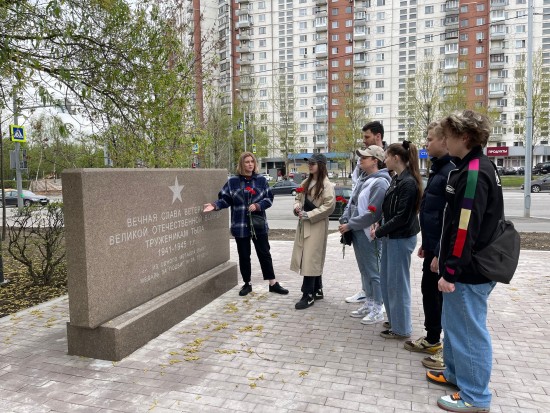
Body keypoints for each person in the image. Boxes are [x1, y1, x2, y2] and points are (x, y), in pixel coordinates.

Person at [426, 110, 500, 413]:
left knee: (469, 331)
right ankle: (456, 375)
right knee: (454, 325)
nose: (444, 140)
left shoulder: (473, 171)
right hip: (462, 265)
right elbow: (454, 220)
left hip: (469, 271)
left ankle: (475, 397)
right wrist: (441, 258)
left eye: (449, 136)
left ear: (465, 138)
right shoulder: (471, 166)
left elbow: (465, 226)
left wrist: (451, 269)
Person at [404, 122, 454, 369]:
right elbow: (433, 212)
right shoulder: (439, 169)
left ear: (445, 141)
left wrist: (440, 251)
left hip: (444, 250)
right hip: (434, 246)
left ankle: (447, 349)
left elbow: (451, 217)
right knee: (428, 291)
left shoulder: (451, 171)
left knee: (443, 299)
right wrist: (428, 243)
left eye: (431, 138)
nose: (426, 143)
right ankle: (433, 338)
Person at [203, 152, 288, 297]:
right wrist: (215, 205)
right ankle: (247, 283)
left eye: (252, 162)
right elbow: (225, 199)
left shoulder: (261, 180)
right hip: (240, 225)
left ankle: (272, 283)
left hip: (258, 224)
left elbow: (269, 198)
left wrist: (258, 205)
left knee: (264, 253)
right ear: (241, 164)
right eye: (247, 162)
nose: (250, 164)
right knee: (244, 255)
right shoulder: (233, 182)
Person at [371, 140, 422, 339]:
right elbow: (389, 209)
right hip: (392, 237)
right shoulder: (397, 178)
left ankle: (401, 328)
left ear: (396, 158)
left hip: (400, 239)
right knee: (387, 282)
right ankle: (395, 320)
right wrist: (380, 225)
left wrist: (380, 230)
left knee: (398, 285)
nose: (384, 160)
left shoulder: (408, 182)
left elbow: (402, 217)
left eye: (386, 156)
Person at [338, 145, 391, 324]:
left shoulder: (380, 182)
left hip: (369, 233)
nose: (360, 160)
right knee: (365, 271)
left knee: (374, 271)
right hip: (358, 231)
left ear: (375, 160)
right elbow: (352, 202)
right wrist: (345, 218)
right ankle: (369, 303)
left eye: (364, 158)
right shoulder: (364, 179)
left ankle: (378, 307)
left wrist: (350, 224)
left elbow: (373, 214)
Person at [346, 120, 385, 304]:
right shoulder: (365, 168)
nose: (364, 140)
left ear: (378, 136)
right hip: (358, 223)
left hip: (371, 228)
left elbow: (376, 206)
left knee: (373, 267)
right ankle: (368, 295)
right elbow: (356, 191)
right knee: (365, 266)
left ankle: (377, 303)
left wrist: (352, 223)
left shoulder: (384, 166)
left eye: (367, 137)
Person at [290, 153, 335, 310]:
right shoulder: (306, 181)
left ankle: (307, 294)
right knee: (309, 256)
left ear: (321, 165)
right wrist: (297, 206)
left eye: (313, 163)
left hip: (317, 224)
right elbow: (298, 197)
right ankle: (317, 289)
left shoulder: (326, 185)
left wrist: (309, 214)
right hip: (305, 223)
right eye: (309, 162)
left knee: (311, 257)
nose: (309, 165)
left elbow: (329, 206)